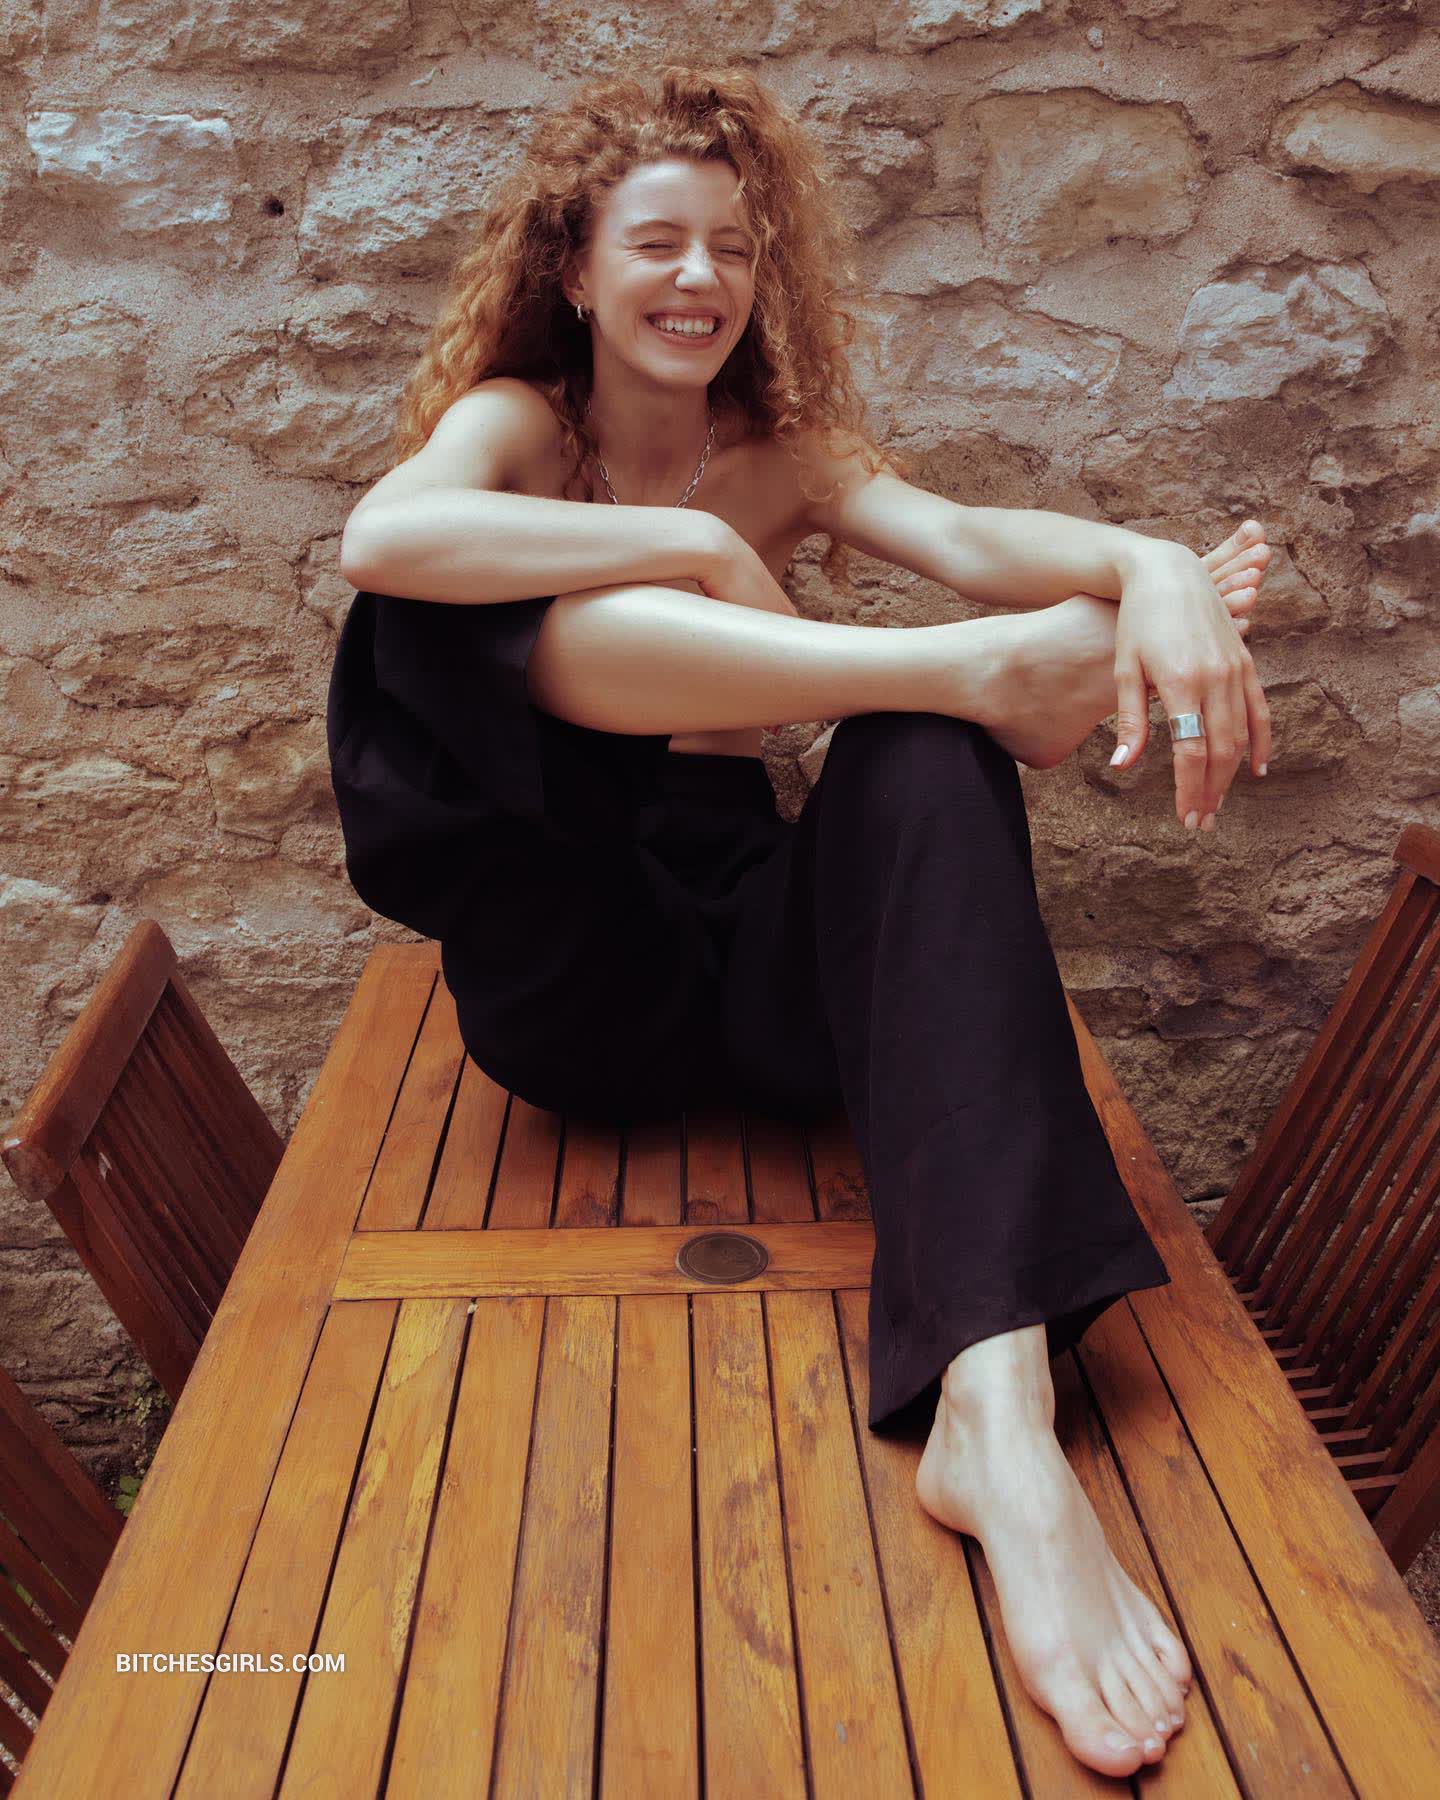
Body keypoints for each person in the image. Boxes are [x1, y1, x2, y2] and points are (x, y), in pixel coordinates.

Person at [327, 65, 1273, 1779]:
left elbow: (966, 529)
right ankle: (962, 673)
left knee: (923, 756)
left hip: (768, 978)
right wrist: (691, 552)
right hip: (577, 974)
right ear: (575, 269)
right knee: (442, 612)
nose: (701, 278)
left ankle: (995, 1414)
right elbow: (381, 539)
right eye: (659, 243)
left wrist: (1152, 563)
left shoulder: (787, 452)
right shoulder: (525, 425)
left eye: (736, 248)